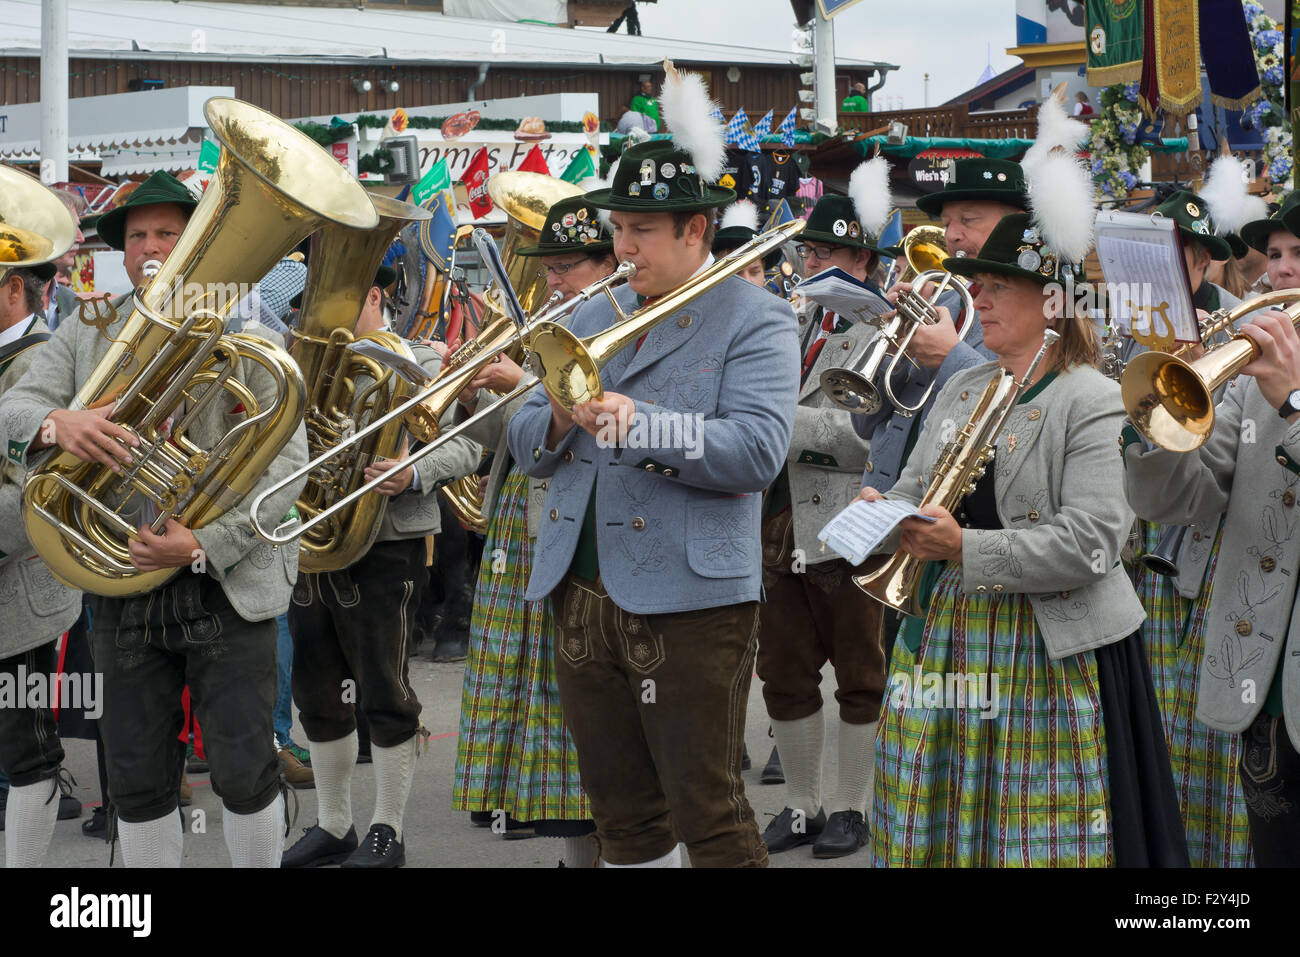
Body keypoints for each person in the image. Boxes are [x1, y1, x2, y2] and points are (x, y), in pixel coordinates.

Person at [507, 106, 800, 866]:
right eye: (619, 228)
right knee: (623, 819)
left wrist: (642, 425)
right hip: (578, 589)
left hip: (692, 600)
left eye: (640, 230)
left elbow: (757, 453)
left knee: (709, 814)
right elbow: (520, 437)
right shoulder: (594, 308)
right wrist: (563, 421)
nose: (621, 246)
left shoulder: (756, 318)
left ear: (695, 231)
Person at [0, 169, 308, 868]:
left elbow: (289, 463)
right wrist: (56, 422)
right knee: (137, 779)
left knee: (240, 768)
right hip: (117, 579)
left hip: (224, 580)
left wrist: (207, 539)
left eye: (167, 232)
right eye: (136, 235)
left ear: (196, 241)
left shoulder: (253, 327)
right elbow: (9, 413)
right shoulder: (90, 326)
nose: (149, 246)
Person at [860, 207, 1182, 866]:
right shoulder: (964, 386)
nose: (976, 296)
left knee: (1034, 832)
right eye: (976, 282)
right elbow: (915, 483)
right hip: (951, 631)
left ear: (1053, 302)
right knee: (945, 817)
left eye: (997, 284)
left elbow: (1093, 543)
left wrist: (964, 549)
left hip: (1043, 646)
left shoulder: (1090, 396)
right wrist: (880, 511)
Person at [282, 265, 480, 868]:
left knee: (384, 688)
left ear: (373, 295)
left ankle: (388, 830)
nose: (316, 316)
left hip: (386, 543)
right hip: (312, 541)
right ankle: (334, 824)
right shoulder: (306, 362)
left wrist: (413, 471)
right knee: (317, 691)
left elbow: (471, 442)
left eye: (332, 297)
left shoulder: (424, 359)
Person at [1123, 197, 1300, 865]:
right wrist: (1157, 422)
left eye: (1298, 256)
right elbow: (1184, 500)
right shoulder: (1255, 375)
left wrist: (1294, 402)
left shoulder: (1278, 385)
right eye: (1275, 255)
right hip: (1265, 687)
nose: (1281, 273)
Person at [453, 192, 618, 866]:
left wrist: (518, 379)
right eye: (548, 267)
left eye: (569, 266)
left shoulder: (616, 320)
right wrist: (473, 392)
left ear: (609, 262)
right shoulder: (549, 323)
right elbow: (515, 439)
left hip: (580, 527)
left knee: (574, 705)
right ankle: (571, 852)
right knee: (536, 702)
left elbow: (593, 423)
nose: (554, 281)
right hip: (523, 519)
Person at [755, 161, 892, 860]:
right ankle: (801, 803)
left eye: (829, 252)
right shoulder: (792, 318)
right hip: (777, 525)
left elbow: (858, 440)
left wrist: (764, 420)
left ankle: (852, 806)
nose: (813, 263)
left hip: (849, 522)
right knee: (783, 668)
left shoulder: (887, 331)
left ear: (863, 260)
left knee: (860, 671)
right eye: (809, 252)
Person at [0, 175, 83, 867]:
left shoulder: (36, 363)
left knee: (27, 748)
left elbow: (42, 492)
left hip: (19, 591)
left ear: (12, 289)